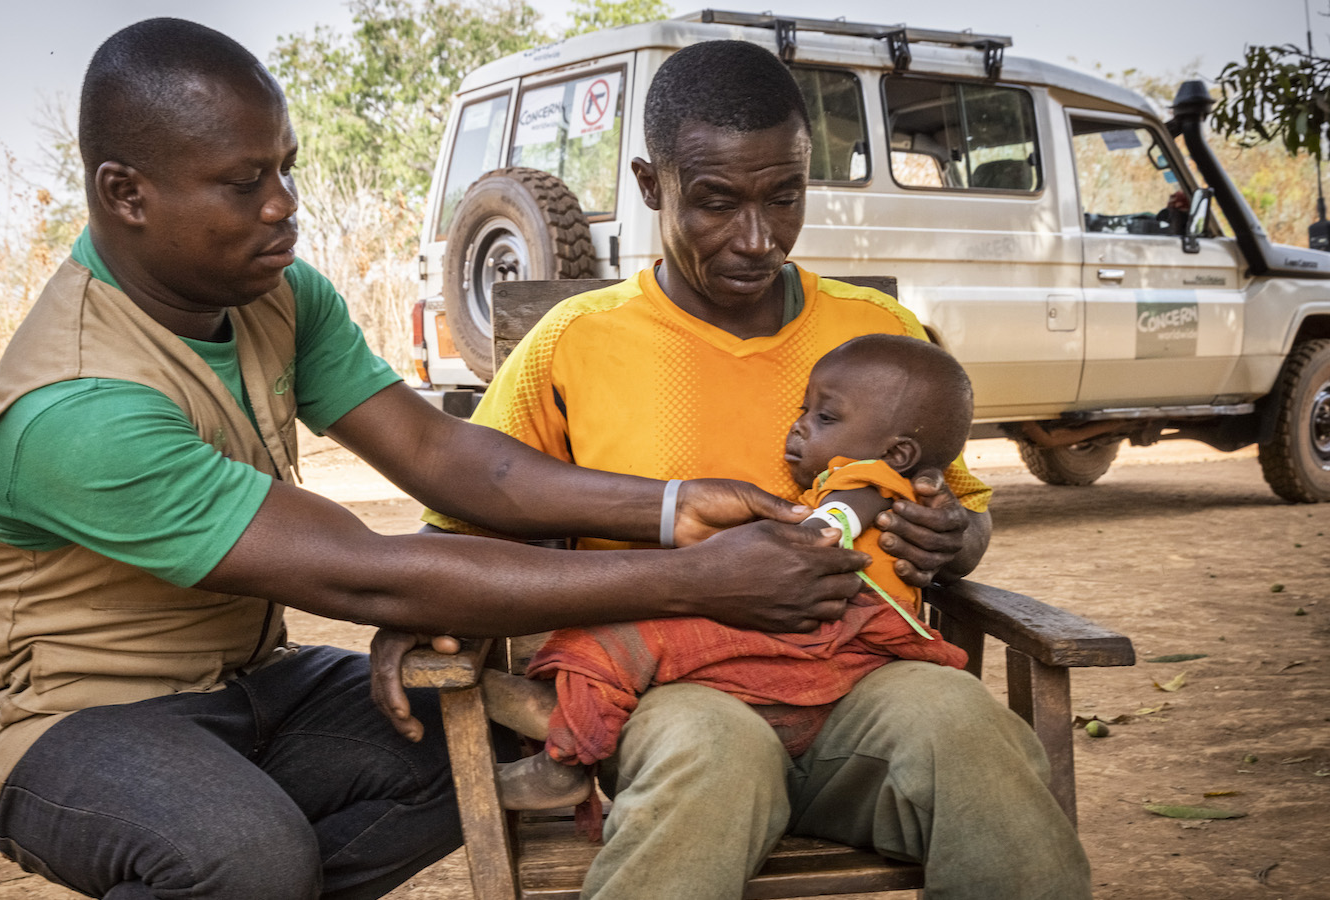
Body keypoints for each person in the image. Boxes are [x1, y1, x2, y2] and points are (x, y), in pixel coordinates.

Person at [0, 20, 881, 900]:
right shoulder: (81, 412)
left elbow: (448, 455)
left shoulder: (277, 295)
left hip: (249, 680)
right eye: (242, 182)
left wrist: (674, 507)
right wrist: (699, 578)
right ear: (126, 193)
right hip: (56, 717)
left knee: (500, 730)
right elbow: (368, 575)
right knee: (241, 859)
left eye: (285, 168)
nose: (282, 207)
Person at [410, 39, 1090, 900]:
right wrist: (421, 615)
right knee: (712, 755)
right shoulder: (575, 343)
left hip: (861, 686)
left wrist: (953, 539)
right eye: (717, 203)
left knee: (972, 734)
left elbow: (964, 513)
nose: (757, 238)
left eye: (785, 196)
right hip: (678, 698)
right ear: (653, 185)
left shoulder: (876, 333)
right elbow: (459, 523)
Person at [489, 334, 976, 818]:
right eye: (804, 410)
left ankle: (561, 735)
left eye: (824, 418)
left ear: (898, 456)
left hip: (828, 626)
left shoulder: (866, 481)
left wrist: (787, 544)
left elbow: (829, 531)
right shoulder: (571, 332)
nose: (799, 427)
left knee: (630, 634)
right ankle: (565, 724)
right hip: (819, 631)